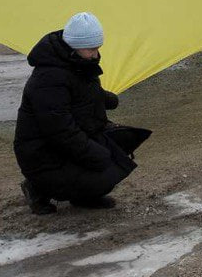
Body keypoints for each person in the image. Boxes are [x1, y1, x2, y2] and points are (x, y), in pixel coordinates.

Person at [14, 12, 151, 215]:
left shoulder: (77, 64)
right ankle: (37, 188)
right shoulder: (49, 78)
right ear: (74, 46)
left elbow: (82, 92)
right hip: (42, 154)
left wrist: (106, 99)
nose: (96, 54)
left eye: (98, 48)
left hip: (64, 144)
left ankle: (83, 194)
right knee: (105, 169)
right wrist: (96, 155)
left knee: (119, 153)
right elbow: (60, 130)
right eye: (91, 49)